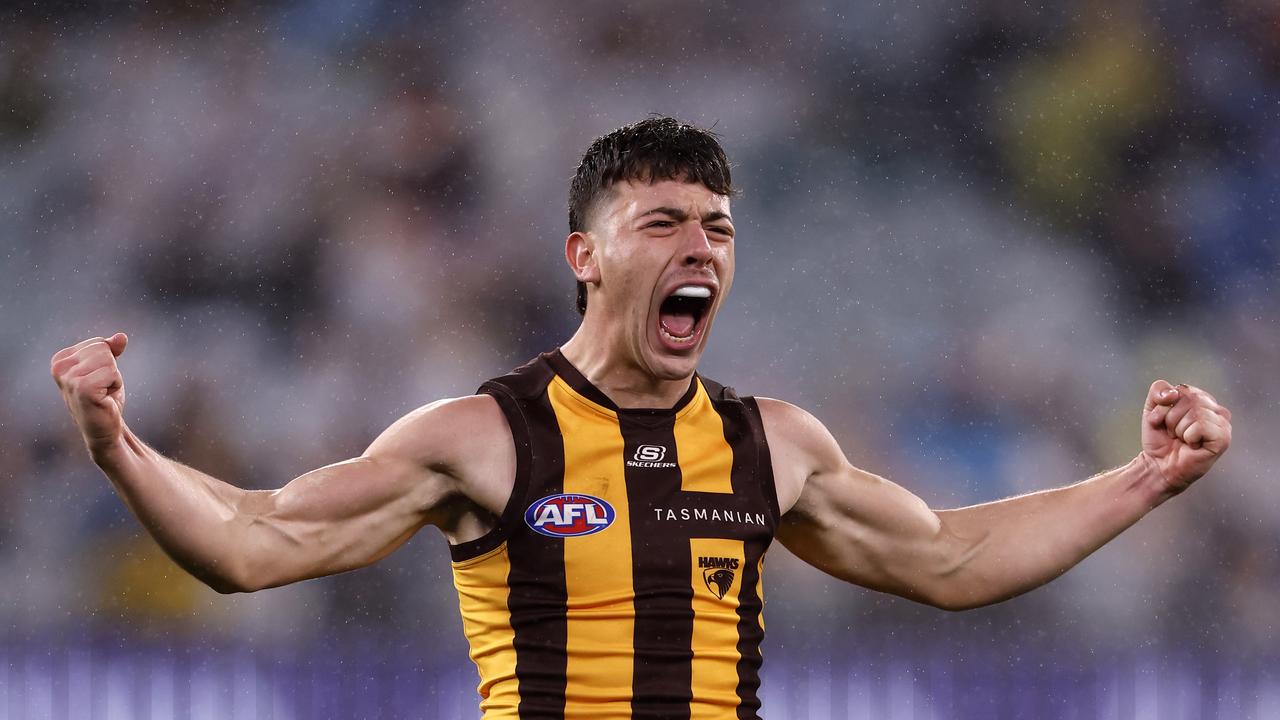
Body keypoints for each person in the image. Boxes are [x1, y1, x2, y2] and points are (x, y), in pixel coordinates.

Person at [50, 117, 1233, 719]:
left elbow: (948, 557)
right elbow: (251, 546)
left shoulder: (772, 441)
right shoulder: (482, 435)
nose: (700, 247)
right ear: (584, 255)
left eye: (716, 226)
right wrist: (120, 444)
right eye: (663, 222)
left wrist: (1141, 481)